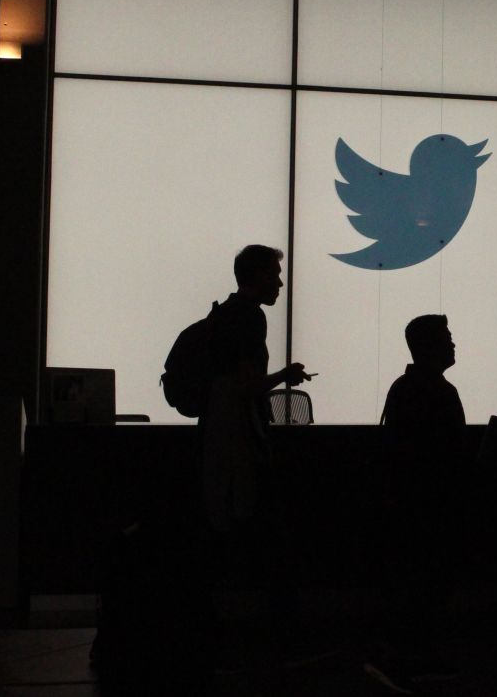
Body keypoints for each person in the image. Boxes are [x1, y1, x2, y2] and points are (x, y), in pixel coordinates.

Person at [200, 245, 312, 683]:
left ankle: (226, 644)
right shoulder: (250, 317)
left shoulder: (224, 315)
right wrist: (284, 376)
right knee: (251, 532)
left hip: (219, 439)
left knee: (226, 535)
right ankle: (267, 644)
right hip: (238, 443)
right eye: (274, 275)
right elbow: (248, 388)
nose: (280, 284)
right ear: (256, 276)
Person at [365, 314, 468, 693]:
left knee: (411, 584)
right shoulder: (439, 391)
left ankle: (403, 657)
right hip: (430, 506)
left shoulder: (403, 388)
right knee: (427, 584)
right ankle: (417, 658)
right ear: (431, 346)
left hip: (408, 504)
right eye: (447, 338)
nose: (453, 344)